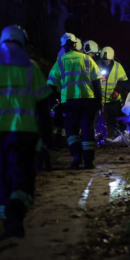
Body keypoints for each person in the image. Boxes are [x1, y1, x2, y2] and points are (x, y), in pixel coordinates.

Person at [0, 25, 52, 237]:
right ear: (22, 42)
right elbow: (43, 107)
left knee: (2, 176)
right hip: (25, 132)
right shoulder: (31, 67)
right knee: (24, 176)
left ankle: (8, 221)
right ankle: (17, 208)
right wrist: (47, 137)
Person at [48, 33, 102, 170]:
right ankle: (89, 161)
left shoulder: (60, 61)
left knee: (71, 131)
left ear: (64, 46)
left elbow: (51, 85)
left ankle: (76, 157)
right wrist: (99, 101)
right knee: (87, 130)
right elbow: (96, 82)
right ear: (76, 45)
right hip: (88, 100)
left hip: (69, 102)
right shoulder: (87, 59)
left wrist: (52, 103)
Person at [99, 47, 129, 137]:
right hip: (101, 100)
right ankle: (103, 136)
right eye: (104, 60)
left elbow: (123, 80)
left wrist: (117, 90)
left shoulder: (117, 66)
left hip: (113, 100)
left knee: (116, 119)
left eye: (107, 60)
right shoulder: (97, 65)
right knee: (101, 120)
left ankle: (118, 136)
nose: (105, 61)